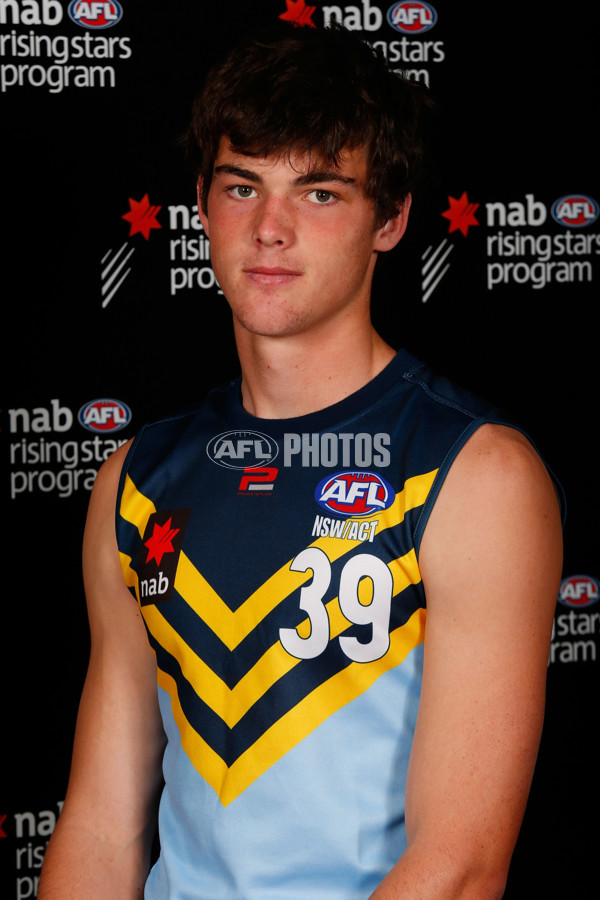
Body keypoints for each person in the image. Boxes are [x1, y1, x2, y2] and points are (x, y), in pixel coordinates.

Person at [39, 23, 563, 900]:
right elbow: (100, 826)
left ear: (390, 219)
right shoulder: (134, 481)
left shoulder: (473, 475)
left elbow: (460, 868)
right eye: (242, 187)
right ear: (202, 206)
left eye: (319, 193)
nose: (270, 229)